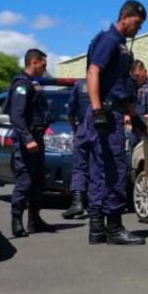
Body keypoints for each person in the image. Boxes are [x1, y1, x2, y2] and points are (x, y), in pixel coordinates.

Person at [84, 0, 148, 245]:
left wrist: (134, 116)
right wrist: (97, 109)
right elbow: (93, 72)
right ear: (125, 17)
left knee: (102, 171)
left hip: (113, 112)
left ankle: (98, 228)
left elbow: (120, 88)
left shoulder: (121, 47)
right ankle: (113, 228)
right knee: (113, 171)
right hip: (106, 116)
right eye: (137, 23)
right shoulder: (109, 41)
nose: (138, 28)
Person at [7, 48, 55, 237]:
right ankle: (16, 220)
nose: (45, 67)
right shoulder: (21, 85)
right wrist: (27, 139)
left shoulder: (34, 84)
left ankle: (35, 220)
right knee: (24, 181)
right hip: (27, 142)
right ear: (34, 62)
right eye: (43, 64)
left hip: (37, 139)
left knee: (37, 181)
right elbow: (16, 116)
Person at [61, 78, 90, 219]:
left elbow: (70, 111)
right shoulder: (107, 82)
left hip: (83, 129)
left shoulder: (80, 85)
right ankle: (96, 204)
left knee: (80, 167)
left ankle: (77, 202)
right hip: (103, 131)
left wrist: (75, 130)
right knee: (99, 167)